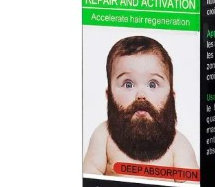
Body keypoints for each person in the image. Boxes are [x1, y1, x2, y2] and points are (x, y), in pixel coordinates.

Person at [83, 36, 198, 177]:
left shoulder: (179, 146)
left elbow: (189, 186)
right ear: (109, 95)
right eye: (128, 84)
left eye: (152, 84)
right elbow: (90, 179)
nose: (141, 95)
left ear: (171, 96)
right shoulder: (103, 136)